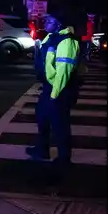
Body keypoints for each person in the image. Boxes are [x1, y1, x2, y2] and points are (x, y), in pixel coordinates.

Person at [27, 14, 81, 167]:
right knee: (42, 117)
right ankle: (42, 150)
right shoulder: (51, 37)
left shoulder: (66, 41)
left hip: (61, 89)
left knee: (60, 124)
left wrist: (55, 94)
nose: (46, 23)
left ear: (59, 24)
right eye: (46, 20)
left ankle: (64, 159)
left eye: (50, 21)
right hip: (49, 86)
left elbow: (64, 71)